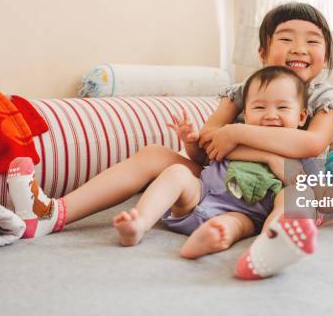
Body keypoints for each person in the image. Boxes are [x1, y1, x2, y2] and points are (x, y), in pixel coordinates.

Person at [6, 1, 333, 276]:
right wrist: (202, 139)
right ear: (262, 53)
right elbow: (210, 140)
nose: (299, 47)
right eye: (286, 38)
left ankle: (273, 244)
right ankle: (55, 212)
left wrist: (237, 134)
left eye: (312, 41)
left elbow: (311, 146)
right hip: (218, 181)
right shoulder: (242, 91)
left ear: (326, 56)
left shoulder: (323, 98)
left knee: (297, 192)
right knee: (156, 154)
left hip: (279, 187)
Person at [112, 66, 317, 259]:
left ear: (301, 117)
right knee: (177, 172)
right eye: (259, 107)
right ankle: (139, 223)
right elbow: (204, 158)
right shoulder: (235, 138)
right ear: (245, 116)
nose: (270, 116)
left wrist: (273, 160)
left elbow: (302, 185)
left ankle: (262, 242)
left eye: (282, 107)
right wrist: (190, 141)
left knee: (232, 224)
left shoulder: (298, 150)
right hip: (199, 195)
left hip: (243, 214)